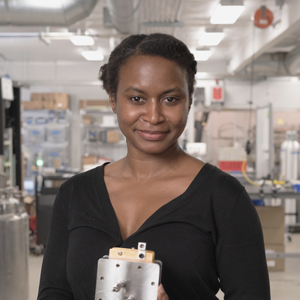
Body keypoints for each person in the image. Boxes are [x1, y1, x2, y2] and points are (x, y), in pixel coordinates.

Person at [37, 33, 270, 300]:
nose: (153, 116)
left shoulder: (224, 198)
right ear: (113, 100)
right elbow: (54, 292)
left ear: (190, 100)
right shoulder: (74, 194)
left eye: (170, 99)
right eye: (137, 99)